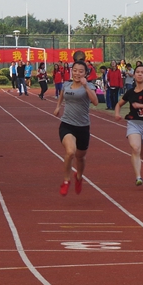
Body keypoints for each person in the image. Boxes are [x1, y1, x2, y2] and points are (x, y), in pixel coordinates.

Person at [54, 61, 98, 196]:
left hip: (83, 126)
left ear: (86, 74)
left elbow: (95, 102)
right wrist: (58, 107)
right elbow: (62, 94)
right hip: (67, 124)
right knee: (70, 152)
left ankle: (78, 177)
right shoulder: (66, 85)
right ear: (71, 71)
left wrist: (85, 86)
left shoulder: (89, 86)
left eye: (81, 71)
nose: (77, 73)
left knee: (81, 157)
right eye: (75, 70)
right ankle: (66, 180)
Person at [114, 64, 143, 186]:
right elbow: (119, 104)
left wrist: (140, 105)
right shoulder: (130, 92)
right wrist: (117, 114)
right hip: (133, 123)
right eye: (137, 72)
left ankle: (138, 164)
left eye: (142, 72)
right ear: (134, 75)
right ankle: (138, 177)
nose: (139, 74)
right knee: (135, 148)